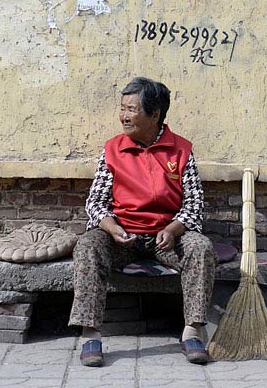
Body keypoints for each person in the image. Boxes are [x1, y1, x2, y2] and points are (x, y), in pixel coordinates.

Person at [69, 77, 216, 367]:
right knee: (87, 245)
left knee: (201, 247)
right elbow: (95, 203)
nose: (124, 116)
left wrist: (173, 230)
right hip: (122, 235)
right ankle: (90, 335)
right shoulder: (112, 149)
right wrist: (112, 227)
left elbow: (194, 205)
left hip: (166, 237)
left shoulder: (181, 150)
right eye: (122, 108)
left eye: (132, 109)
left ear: (155, 114)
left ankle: (192, 332)